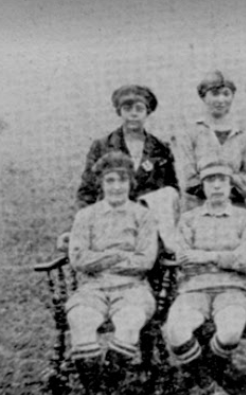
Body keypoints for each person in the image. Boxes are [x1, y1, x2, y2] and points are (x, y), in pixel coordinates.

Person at [163, 159, 246, 393]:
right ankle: (210, 386)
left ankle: (202, 377)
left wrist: (207, 257)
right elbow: (184, 260)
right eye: (210, 180)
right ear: (202, 186)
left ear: (230, 185)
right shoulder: (188, 219)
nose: (216, 186)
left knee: (230, 332)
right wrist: (228, 258)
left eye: (222, 180)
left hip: (233, 289)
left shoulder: (245, 218)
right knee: (175, 330)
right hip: (193, 289)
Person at [66, 152, 158, 393]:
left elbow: (145, 260)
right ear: (100, 183)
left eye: (122, 180)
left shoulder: (143, 215)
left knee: (130, 323)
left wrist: (100, 259)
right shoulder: (85, 216)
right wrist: (119, 256)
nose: (116, 187)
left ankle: (109, 383)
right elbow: (78, 259)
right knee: (81, 322)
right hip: (91, 288)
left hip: (132, 288)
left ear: (131, 183)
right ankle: (95, 390)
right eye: (110, 181)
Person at [74, 84, 180, 250]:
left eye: (139, 108)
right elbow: (87, 190)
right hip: (111, 219)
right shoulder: (102, 146)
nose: (133, 114)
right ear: (119, 111)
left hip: (150, 221)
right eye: (127, 108)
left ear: (148, 112)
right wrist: (84, 225)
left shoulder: (160, 148)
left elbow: (172, 188)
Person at [181, 70, 246, 212]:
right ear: (204, 97)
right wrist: (228, 181)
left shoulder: (242, 135)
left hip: (236, 207)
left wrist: (230, 189)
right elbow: (188, 178)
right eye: (215, 94)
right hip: (199, 207)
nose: (221, 100)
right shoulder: (191, 132)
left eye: (226, 94)